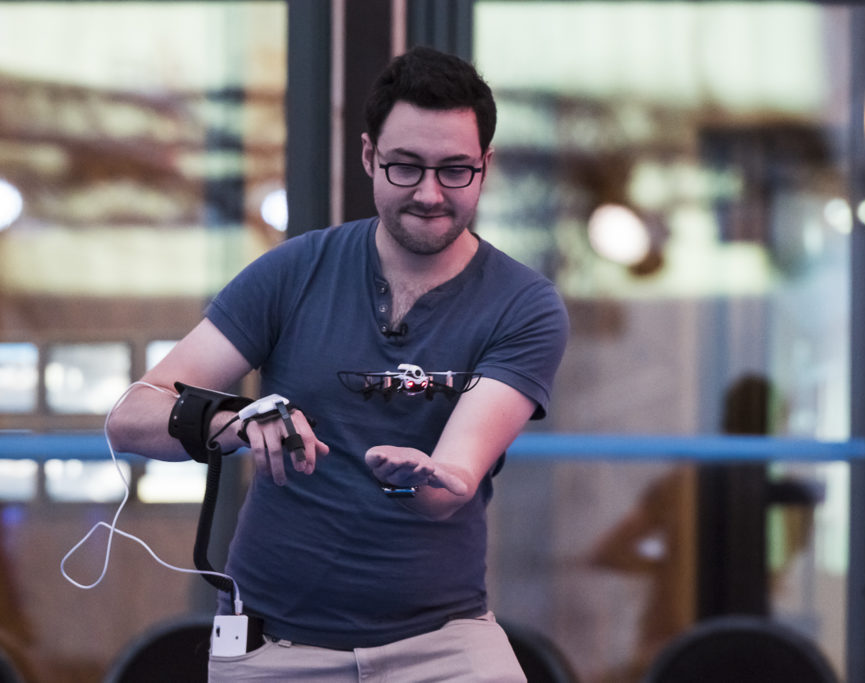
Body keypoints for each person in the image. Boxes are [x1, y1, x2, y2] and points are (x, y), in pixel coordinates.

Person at [107, 45, 569, 682]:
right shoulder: (295, 270)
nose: (430, 193)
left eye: (455, 170)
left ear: (485, 166)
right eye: (405, 167)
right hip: (273, 645)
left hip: (442, 643)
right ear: (367, 158)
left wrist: (425, 479)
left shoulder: (523, 304)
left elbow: (447, 487)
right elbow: (130, 417)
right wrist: (238, 423)